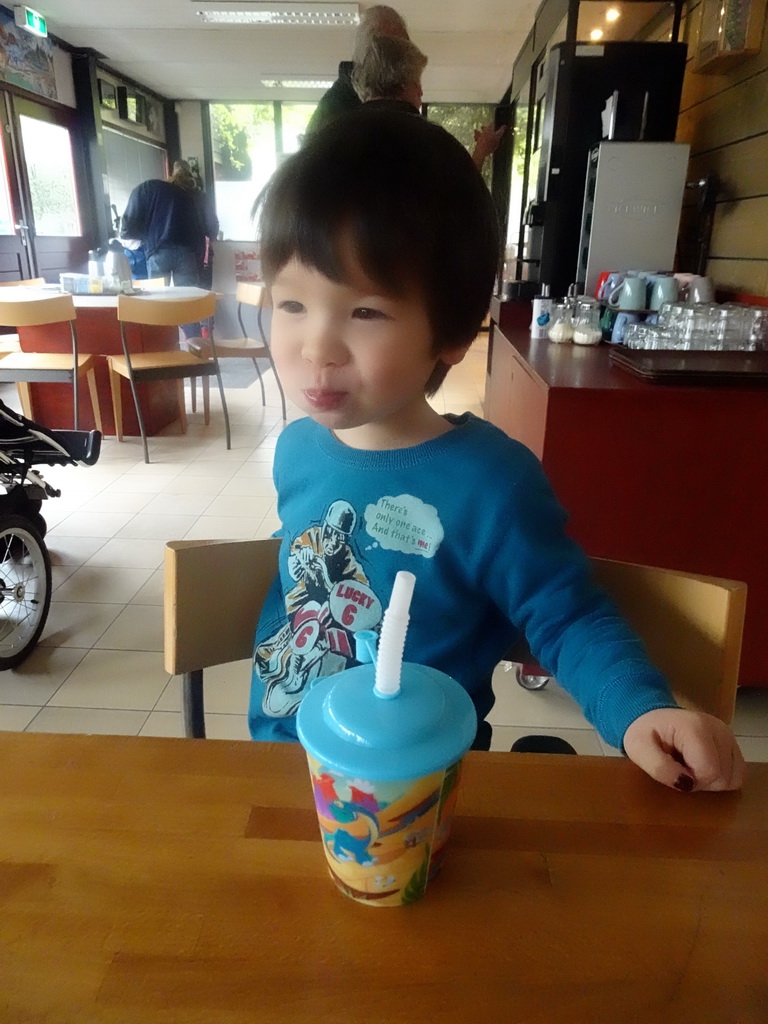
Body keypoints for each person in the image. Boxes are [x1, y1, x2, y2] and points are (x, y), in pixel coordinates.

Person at [248, 108, 744, 794]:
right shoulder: (298, 450)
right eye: (291, 304)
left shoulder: (490, 484)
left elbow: (566, 614)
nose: (313, 348)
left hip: (425, 790)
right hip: (281, 771)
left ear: (451, 334)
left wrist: (639, 708)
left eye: (364, 312)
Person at [351, 34, 505, 172]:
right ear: (402, 83)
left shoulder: (333, 140)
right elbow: (457, 196)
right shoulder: (429, 143)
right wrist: (480, 153)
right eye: (417, 82)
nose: (421, 92)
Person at [121, 160, 218, 335]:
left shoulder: (151, 189)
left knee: (158, 302)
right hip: (187, 253)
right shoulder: (194, 194)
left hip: (158, 252)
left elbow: (130, 225)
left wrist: (134, 235)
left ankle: (164, 343)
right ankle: (195, 347)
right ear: (191, 175)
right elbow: (211, 227)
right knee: (188, 302)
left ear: (172, 172)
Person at [304, 4, 409, 139]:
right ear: (367, 51)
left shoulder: (386, 96)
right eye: (391, 49)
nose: (401, 59)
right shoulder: (336, 110)